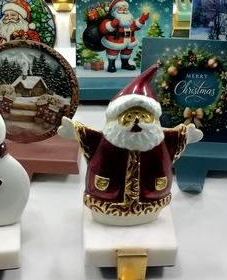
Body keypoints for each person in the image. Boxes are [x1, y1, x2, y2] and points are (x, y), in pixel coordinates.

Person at [58, 65, 202, 226]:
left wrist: (186, 135)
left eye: (143, 116)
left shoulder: (158, 138)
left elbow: (174, 138)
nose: (136, 121)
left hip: (151, 199)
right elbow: (90, 137)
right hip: (106, 200)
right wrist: (75, 131)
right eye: (129, 116)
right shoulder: (109, 137)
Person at [99, 0, 149, 72]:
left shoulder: (129, 20)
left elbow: (136, 26)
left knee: (127, 52)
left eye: (125, 8)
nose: (123, 10)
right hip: (115, 41)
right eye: (120, 8)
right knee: (112, 52)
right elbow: (103, 29)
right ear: (115, 10)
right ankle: (111, 65)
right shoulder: (110, 18)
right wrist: (112, 24)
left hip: (129, 40)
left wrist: (142, 19)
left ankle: (125, 64)